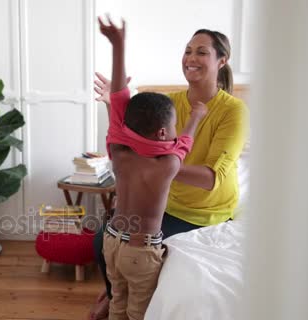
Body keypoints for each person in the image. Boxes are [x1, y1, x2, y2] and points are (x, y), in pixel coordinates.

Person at [89, 22, 250, 320]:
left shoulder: (232, 110)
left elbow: (213, 178)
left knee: (138, 251)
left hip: (205, 210)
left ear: (221, 61)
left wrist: (155, 166)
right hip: (165, 202)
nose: (191, 57)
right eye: (188, 51)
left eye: (201, 52)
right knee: (102, 239)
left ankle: (123, 304)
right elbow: (127, 131)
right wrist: (112, 103)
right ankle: (114, 297)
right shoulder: (169, 103)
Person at [97, 16, 207, 320]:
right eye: (172, 126)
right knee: (139, 312)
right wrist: (196, 116)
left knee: (117, 302)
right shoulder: (168, 164)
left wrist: (117, 45)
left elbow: (119, 98)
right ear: (162, 133)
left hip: (112, 241)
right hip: (141, 250)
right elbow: (185, 142)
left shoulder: (117, 151)